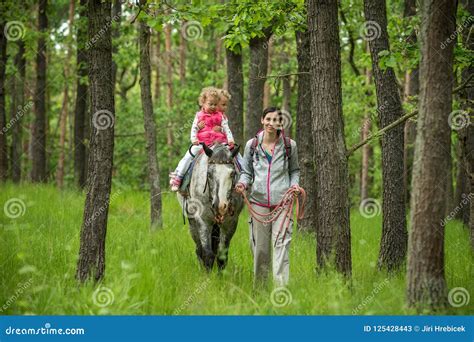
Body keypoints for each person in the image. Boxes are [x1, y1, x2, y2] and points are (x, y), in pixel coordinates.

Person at [235, 107, 300, 286]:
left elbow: (294, 170)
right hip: (258, 202)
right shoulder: (252, 145)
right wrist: (242, 183)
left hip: (283, 202)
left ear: (281, 123)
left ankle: (281, 289)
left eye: (276, 120)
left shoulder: (289, 145)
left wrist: (294, 185)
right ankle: (260, 290)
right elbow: (246, 172)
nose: (272, 123)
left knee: (281, 245)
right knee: (261, 249)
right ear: (262, 120)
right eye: (268, 119)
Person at [170, 87, 235, 191]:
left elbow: (227, 129)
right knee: (189, 155)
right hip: (203, 142)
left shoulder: (221, 116)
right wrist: (194, 139)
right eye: (211, 104)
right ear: (203, 103)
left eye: (215, 104)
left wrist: (230, 139)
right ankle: (178, 176)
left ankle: (240, 178)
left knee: (232, 155)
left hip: (218, 142)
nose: (213, 106)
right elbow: (194, 128)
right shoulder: (199, 116)